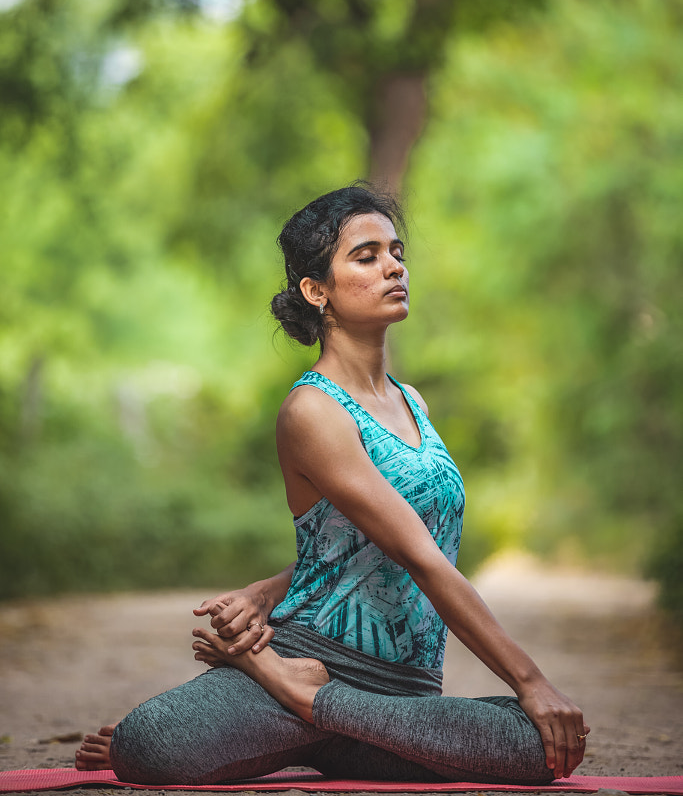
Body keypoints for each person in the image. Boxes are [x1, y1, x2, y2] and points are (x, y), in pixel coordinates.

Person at [75, 184, 589, 785]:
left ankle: (308, 705)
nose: (393, 266)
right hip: (315, 649)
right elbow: (418, 555)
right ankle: (287, 687)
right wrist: (530, 681)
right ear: (316, 291)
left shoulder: (410, 402)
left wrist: (269, 588)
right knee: (150, 747)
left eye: (395, 251)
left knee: (539, 748)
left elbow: (368, 544)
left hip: (404, 689)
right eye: (366, 256)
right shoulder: (313, 411)